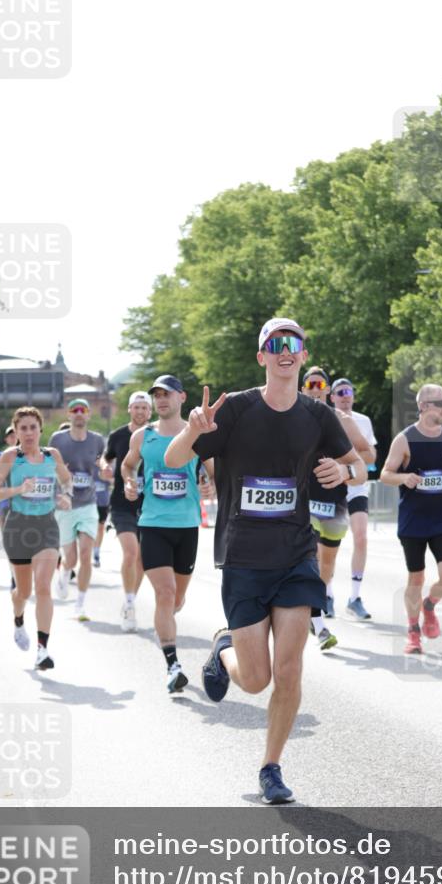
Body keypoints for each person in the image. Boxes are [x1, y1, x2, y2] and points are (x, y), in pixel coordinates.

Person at [165, 318, 366, 804]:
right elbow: (173, 461)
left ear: (301, 353)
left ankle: (271, 768)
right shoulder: (234, 409)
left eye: (292, 344)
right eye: (274, 344)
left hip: (296, 554)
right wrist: (192, 432)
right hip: (244, 559)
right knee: (256, 680)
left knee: (290, 669)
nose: (285, 351)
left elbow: (361, 464)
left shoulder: (317, 416)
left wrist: (342, 468)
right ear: (262, 356)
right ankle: (224, 649)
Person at [121, 375, 214, 692]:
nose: (161, 400)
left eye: (167, 394)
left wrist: (208, 484)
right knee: (163, 593)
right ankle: (173, 666)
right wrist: (129, 483)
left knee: (175, 598)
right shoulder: (142, 437)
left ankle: (166, 622)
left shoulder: (197, 436)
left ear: (181, 398)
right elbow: (128, 465)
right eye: (156, 395)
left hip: (187, 525)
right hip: (152, 523)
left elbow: (215, 475)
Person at [380, 383, 442, 655]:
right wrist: (404, 478)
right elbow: (384, 474)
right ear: (425, 406)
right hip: (414, 521)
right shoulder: (404, 439)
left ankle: (429, 605)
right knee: (415, 578)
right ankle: (413, 632)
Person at [0, 406, 72, 669]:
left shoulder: (52, 455)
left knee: (43, 587)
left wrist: (65, 496)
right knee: (23, 591)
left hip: (46, 526)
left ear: (40, 430)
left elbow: (67, 481)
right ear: (16, 431)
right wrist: (18, 489)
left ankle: (42, 649)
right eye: (22, 428)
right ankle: (18, 618)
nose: (28, 433)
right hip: (18, 527)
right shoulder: (10, 458)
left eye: (32, 427)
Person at [301, 368, 372, 649]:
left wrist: (345, 470)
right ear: (303, 388)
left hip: (334, 500)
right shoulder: (291, 414)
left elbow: (366, 456)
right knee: (309, 558)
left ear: (328, 392)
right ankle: (318, 623)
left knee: (327, 563)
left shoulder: (342, 420)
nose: (316, 388)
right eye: (311, 384)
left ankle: (317, 608)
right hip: (303, 500)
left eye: (321, 385)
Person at [49, 399, 105, 620]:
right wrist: (57, 494)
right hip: (64, 506)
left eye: (83, 410)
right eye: (75, 410)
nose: (79, 413)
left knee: (85, 554)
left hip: (88, 504)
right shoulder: (57, 440)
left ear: (89, 415)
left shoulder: (97, 440)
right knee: (70, 558)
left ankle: (80, 604)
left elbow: (101, 463)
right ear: (69, 415)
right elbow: (49, 467)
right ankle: (64, 572)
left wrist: (106, 469)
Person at [100, 391, 151, 630]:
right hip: (122, 504)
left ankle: (130, 599)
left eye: (144, 408)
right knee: (131, 553)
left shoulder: (157, 435)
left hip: (150, 505)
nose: (140, 411)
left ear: (150, 412)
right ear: (129, 409)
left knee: (142, 559)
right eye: (136, 407)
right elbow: (106, 457)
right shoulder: (119, 435)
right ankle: (130, 603)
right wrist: (105, 468)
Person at [330, 377, 377, 620]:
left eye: (349, 392)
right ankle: (326, 594)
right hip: (332, 487)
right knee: (329, 546)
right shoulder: (325, 418)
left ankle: (355, 597)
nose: (346, 396)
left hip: (356, 487)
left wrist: (351, 456)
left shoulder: (363, 421)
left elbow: (371, 457)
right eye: (340, 392)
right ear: (332, 397)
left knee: (361, 537)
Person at [0, 426, 18, 532]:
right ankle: (4, 539)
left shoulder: (25, 454)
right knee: (5, 520)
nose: (13, 438)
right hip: (6, 496)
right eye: (10, 436)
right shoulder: (1, 456)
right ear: (6, 439)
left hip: (21, 497)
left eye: (15, 436)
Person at [93, 475, 111, 567]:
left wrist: (108, 478)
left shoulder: (108, 467)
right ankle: (90, 550)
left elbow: (114, 481)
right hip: (89, 503)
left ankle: (96, 552)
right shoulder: (89, 465)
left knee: (100, 528)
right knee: (90, 529)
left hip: (103, 504)